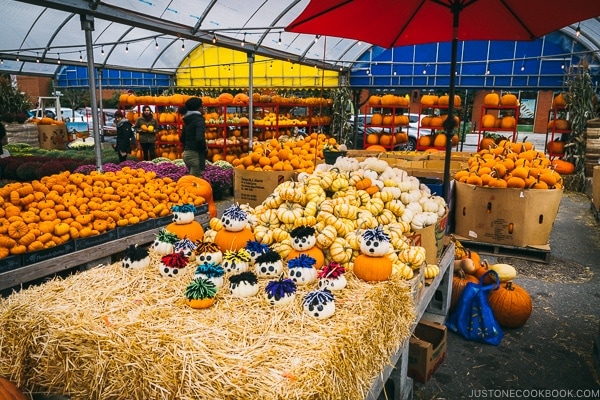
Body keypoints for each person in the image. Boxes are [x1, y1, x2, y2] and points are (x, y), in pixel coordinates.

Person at [180, 97, 207, 177]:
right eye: (202, 106)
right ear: (199, 108)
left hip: (187, 153)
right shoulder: (199, 120)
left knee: (191, 180)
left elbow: (182, 138)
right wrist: (204, 148)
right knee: (195, 182)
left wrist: (189, 145)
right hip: (196, 154)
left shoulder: (187, 119)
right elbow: (200, 138)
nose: (204, 108)